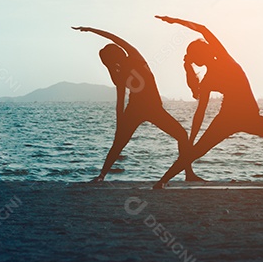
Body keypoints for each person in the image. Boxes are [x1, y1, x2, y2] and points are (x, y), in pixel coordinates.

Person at [153, 16, 263, 189]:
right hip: (244, 119)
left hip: (230, 119)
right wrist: (174, 21)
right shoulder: (224, 60)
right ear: (207, 52)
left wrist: (193, 139)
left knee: (196, 152)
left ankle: (162, 182)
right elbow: (203, 28)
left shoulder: (208, 79)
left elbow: (200, 112)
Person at [71, 26, 203, 183]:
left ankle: (101, 176)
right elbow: (120, 100)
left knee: (179, 135)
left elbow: (120, 102)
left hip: (143, 109)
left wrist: (90, 29)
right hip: (145, 109)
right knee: (179, 135)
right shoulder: (134, 59)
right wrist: (120, 126)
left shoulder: (123, 67)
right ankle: (188, 174)